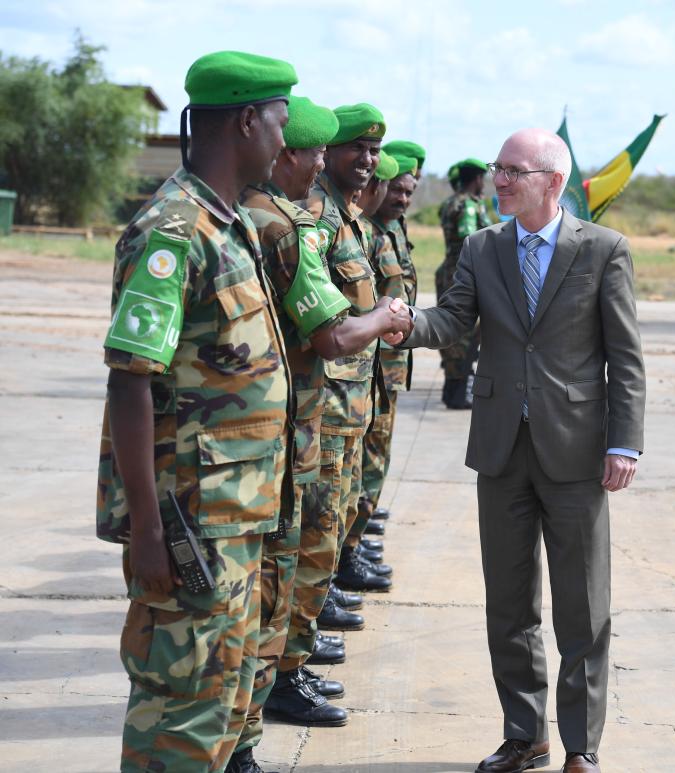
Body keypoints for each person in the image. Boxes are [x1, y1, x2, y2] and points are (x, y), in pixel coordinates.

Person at [391, 127, 646, 773]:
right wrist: (405, 322)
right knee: (509, 604)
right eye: (498, 169)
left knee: (583, 609)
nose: (499, 179)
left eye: (514, 170)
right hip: (502, 449)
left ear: (553, 182)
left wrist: (625, 443)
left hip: (578, 451)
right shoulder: (482, 247)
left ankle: (581, 746)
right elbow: (453, 319)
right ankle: (524, 734)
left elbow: (625, 356)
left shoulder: (604, 251)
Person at [96, 51, 297, 773]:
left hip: (236, 517)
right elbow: (129, 384)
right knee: (179, 712)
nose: (284, 137)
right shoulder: (173, 232)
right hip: (189, 525)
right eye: (278, 122)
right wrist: (148, 530)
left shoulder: (228, 223)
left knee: (222, 695)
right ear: (247, 120)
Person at [237, 98, 412, 744]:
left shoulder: (325, 221)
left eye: (373, 153)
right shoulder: (294, 225)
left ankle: (286, 668)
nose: (364, 163)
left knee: (309, 553)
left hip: (329, 414)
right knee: (294, 559)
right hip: (308, 419)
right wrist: (388, 318)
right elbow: (333, 334)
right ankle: (282, 676)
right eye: (334, 151)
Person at [294, 103, 395, 598]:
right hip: (326, 403)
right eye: (357, 146)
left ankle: (321, 595)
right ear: (326, 150)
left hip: (351, 402)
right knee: (320, 518)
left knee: (338, 509)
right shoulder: (316, 212)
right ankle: (302, 631)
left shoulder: (347, 215)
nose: (367, 158)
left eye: (374, 150)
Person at [350, 152, 416, 560]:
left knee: (372, 460)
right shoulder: (362, 232)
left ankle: (353, 543)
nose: (402, 199)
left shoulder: (385, 231)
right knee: (361, 464)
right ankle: (348, 553)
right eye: (394, 189)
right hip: (363, 373)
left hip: (384, 370)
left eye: (410, 191)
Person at [437, 158, 492, 409]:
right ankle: (458, 392)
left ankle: (452, 389)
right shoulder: (468, 205)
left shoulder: (450, 202)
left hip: (449, 270)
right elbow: (473, 237)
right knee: (464, 334)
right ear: (477, 179)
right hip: (464, 274)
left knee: (452, 331)